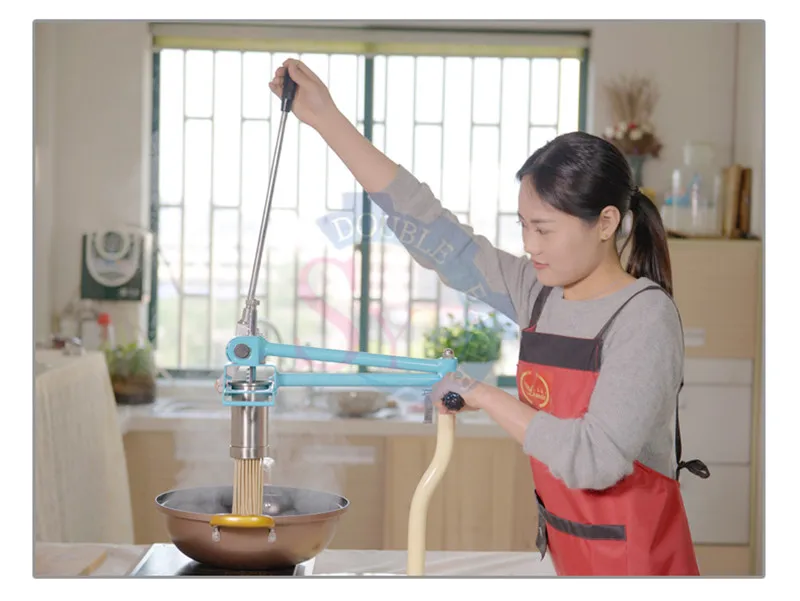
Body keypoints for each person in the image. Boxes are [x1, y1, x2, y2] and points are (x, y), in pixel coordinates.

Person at [268, 58, 710, 576]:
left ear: (606, 222)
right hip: (572, 558)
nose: (529, 246)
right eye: (523, 226)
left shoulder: (644, 319)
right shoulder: (539, 292)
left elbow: (593, 459)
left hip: (641, 570)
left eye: (544, 230)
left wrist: (483, 394)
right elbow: (437, 236)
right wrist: (327, 120)